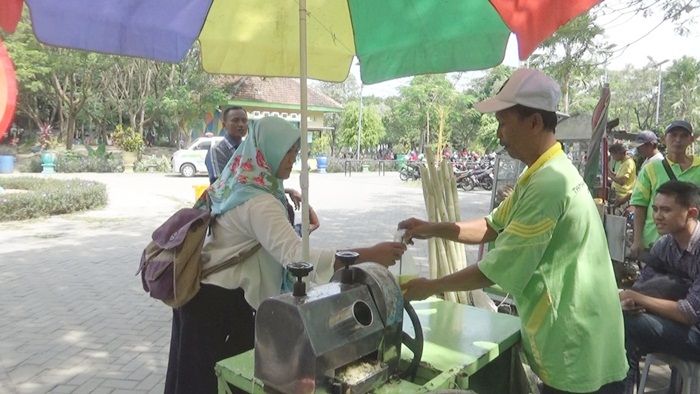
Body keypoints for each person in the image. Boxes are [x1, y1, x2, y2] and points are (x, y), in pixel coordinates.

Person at [398, 68, 627, 393]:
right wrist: (431, 228)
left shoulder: (549, 184)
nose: (499, 134)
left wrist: (429, 287)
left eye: (504, 123)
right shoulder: (542, 172)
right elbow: (491, 226)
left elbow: (495, 268)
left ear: (534, 122)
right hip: (583, 338)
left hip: (576, 347)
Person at [165, 117, 406, 394]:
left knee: (191, 380)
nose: (293, 159)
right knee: (216, 383)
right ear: (266, 150)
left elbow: (259, 238)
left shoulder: (240, 183)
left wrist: (299, 228)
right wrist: (370, 254)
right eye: (287, 151)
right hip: (222, 308)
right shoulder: (260, 202)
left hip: (202, 298)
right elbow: (296, 258)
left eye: (296, 152)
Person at [619, 180, 700, 392]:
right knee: (619, 322)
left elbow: (688, 313)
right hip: (680, 327)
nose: (657, 216)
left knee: (629, 326)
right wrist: (629, 301)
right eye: (655, 209)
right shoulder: (665, 244)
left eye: (666, 210)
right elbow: (641, 287)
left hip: (696, 332)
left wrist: (635, 296)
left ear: (691, 213)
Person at [630, 120, 700, 258]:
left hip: (691, 247)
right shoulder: (650, 169)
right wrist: (637, 240)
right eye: (673, 135)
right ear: (664, 139)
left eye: (683, 135)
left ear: (691, 140)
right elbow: (640, 205)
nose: (678, 140)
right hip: (654, 242)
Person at [205, 106, 249, 184]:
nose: (241, 124)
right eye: (235, 120)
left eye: (244, 121)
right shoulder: (217, 150)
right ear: (224, 125)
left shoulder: (249, 148)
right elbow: (220, 183)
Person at [608, 143, 637, 210]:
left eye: (613, 155)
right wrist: (609, 172)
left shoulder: (628, 163)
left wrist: (610, 176)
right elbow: (619, 176)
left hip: (623, 197)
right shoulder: (623, 162)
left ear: (618, 153)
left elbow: (622, 181)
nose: (613, 158)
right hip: (619, 195)